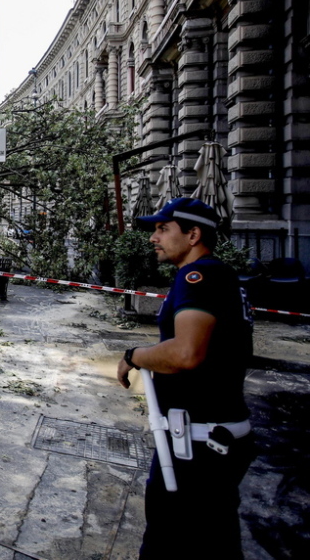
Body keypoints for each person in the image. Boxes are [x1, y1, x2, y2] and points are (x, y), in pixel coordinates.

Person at [117, 197, 256, 559]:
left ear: (193, 234)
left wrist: (134, 356)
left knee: (169, 544)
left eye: (163, 229)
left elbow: (185, 354)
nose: (153, 238)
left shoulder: (201, 276)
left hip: (200, 447)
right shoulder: (215, 276)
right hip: (209, 438)